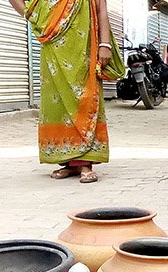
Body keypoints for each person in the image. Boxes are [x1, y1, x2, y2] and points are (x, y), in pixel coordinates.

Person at [9, 0, 123, 184]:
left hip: (84, 47)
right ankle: (68, 162)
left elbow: (101, 9)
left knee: (85, 97)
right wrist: (34, 17)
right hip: (53, 46)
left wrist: (105, 44)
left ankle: (85, 162)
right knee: (58, 103)